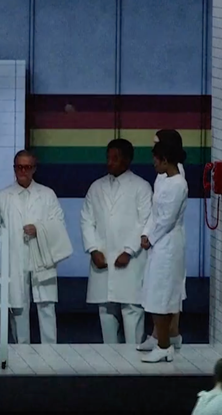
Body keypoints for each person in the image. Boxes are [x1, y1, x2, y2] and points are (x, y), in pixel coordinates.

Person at [0, 150, 72, 344]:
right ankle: (21, 350)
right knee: (18, 306)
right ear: (14, 168)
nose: (23, 171)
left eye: (27, 167)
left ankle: (49, 350)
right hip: (15, 257)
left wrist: (39, 229)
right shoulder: (2, 196)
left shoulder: (47, 194)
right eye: (19, 167)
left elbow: (59, 223)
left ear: (34, 169)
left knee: (46, 305)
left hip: (42, 256)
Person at [80, 139, 152, 344]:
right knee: (106, 310)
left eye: (115, 158)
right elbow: (86, 219)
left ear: (127, 160)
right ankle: (110, 358)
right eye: (108, 157)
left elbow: (145, 221)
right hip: (102, 258)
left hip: (131, 260)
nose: (109, 162)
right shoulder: (96, 187)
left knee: (132, 310)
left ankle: (134, 358)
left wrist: (129, 250)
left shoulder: (141, 187)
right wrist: (93, 249)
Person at [137, 129, 187, 352]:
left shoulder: (177, 181)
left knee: (166, 293)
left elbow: (167, 218)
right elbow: (155, 211)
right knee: (155, 290)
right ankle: (161, 335)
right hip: (158, 241)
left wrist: (151, 237)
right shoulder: (162, 177)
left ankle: (166, 340)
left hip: (168, 243)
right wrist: (146, 233)